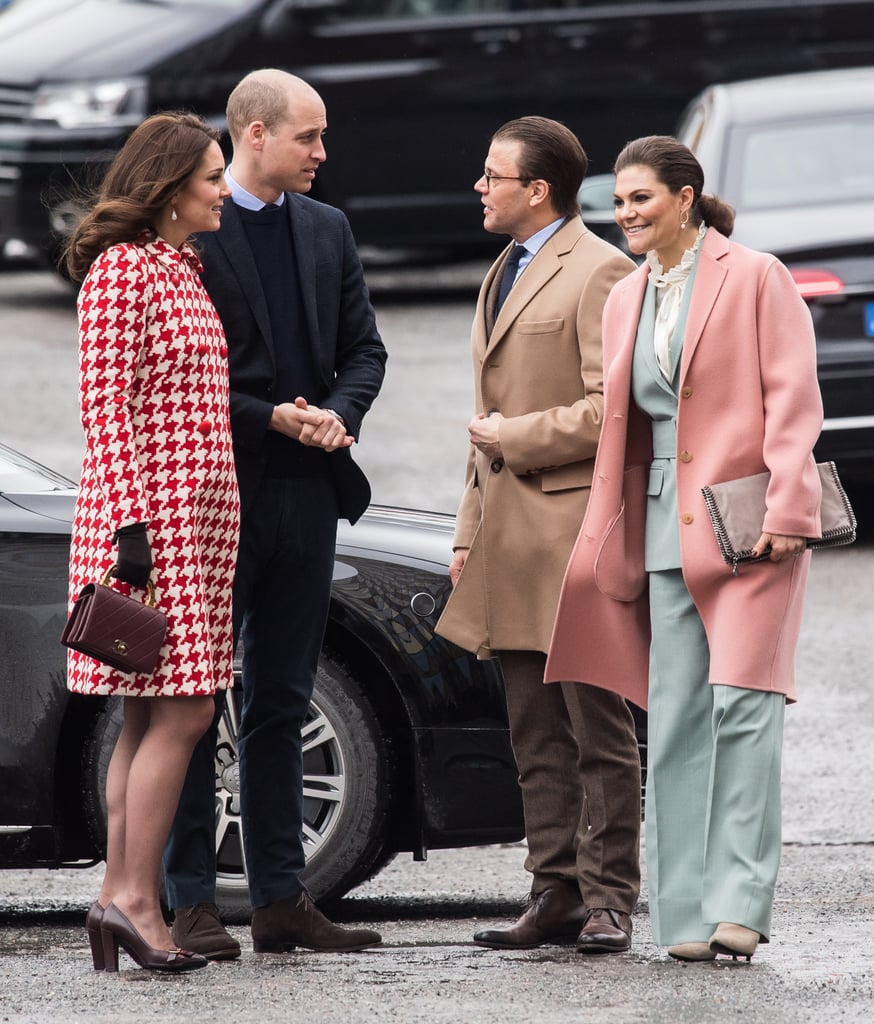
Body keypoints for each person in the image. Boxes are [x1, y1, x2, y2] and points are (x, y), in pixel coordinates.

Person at [546, 135, 824, 962]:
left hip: (751, 524)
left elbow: (794, 399)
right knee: (672, 722)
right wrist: (607, 538)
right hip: (662, 529)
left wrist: (789, 504)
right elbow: (626, 431)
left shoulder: (756, 276)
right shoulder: (626, 296)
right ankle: (687, 915)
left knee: (745, 707)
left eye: (641, 199)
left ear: (687, 196)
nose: (625, 214)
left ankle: (740, 900)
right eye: (619, 201)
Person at [163, 69, 387, 958]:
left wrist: (343, 412)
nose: (324, 153)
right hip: (215, 492)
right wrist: (271, 417)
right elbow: (180, 383)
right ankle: (189, 902)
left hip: (307, 494)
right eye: (309, 137)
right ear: (254, 134)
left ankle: (282, 900)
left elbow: (364, 347)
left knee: (282, 700)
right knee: (191, 701)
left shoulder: (327, 227)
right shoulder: (189, 237)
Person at [435, 116, 641, 954]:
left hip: (575, 535)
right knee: (532, 732)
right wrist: (464, 534)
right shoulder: (502, 269)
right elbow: (484, 426)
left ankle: (610, 898)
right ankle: (552, 891)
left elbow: (613, 410)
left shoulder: (601, 272)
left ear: (538, 189)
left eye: (493, 175)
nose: (479, 187)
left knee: (599, 726)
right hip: (507, 542)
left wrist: (516, 437)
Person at [63, 112, 240, 972]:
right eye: (212, 176)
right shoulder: (122, 272)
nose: (222, 189)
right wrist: (131, 528)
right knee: (185, 709)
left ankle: (114, 897)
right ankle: (135, 899)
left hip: (191, 528)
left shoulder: (180, 268)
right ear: (170, 188)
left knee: (149, 714)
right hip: (151, 529)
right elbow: (106, 407)